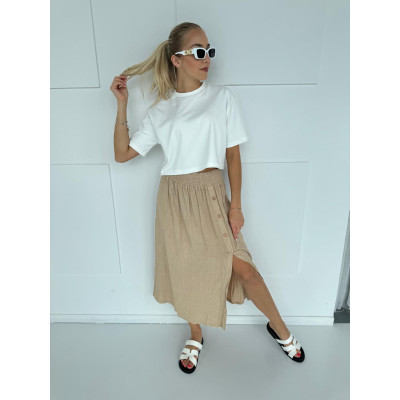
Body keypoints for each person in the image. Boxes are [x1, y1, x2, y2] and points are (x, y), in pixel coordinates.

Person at [110, 22, 305, 373]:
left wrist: (236, 205)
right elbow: (123, 155)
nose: (207, 59)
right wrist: (122, 105)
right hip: (174, 199)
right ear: (176, 59)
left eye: (209, 51)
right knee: (184, 270)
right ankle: (196, 334)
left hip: (212, 193)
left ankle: (280, 328)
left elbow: (233, 155)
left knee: (244, 270)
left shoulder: (221, 98)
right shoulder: (160, 111)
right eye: (199, 52)